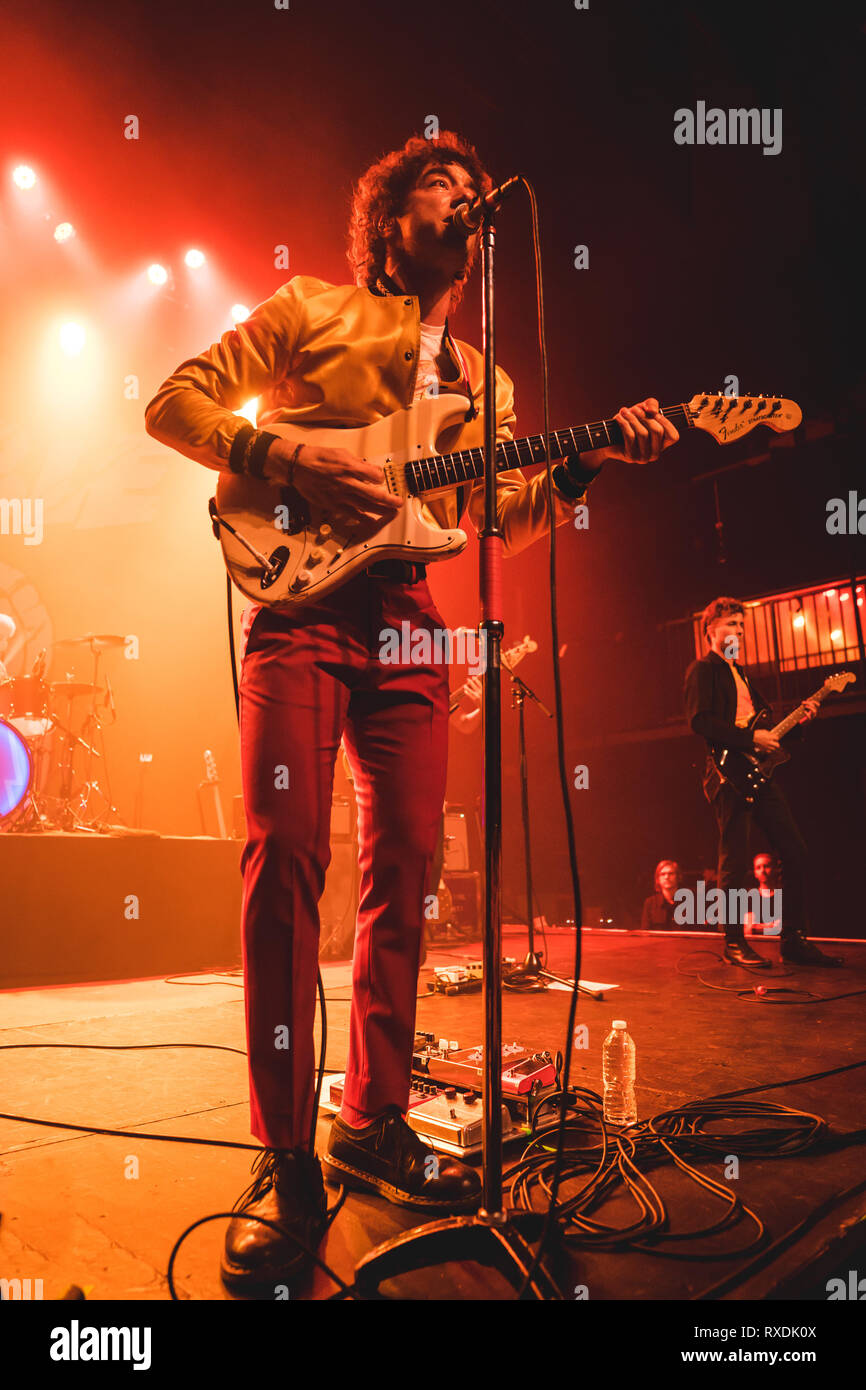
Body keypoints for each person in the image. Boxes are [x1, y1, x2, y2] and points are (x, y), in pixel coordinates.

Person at [145, 130, 678, 1295]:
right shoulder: (311, 307)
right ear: (389, 223)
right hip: (298, 613)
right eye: (441, 184)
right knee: (284, 856)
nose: (468, 198)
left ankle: (370, 1118)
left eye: (472, 188)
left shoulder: (482, 380)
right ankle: (281, 1158)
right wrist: (278, 452)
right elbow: (171, 403)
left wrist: (588, 466)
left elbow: (502, 516)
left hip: (409, 623)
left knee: (409, 868)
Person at [684, 596, 842, 969]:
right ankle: (734, 942)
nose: (738, 631)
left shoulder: (743, 675)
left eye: (741, 625)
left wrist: (798, 723)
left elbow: (765, 731)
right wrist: (750, 739)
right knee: (735, 861)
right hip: (726, 772)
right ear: (710, 631)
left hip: (756, 771)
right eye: (730, 625)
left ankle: (794, 939)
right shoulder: (703, 670)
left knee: (795, 850)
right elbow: (700, 722)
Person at [744, 851, 782, 937]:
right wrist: (770, 926)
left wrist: (758, 927)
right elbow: (749, 930)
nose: (762, 871)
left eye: (766, 866)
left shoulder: (783, 897)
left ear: (775, 869)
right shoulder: (750, 897)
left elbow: (780, 930)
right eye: (758, 867)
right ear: (755, 873)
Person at [640, 859, 682, 929]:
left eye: (671, 873)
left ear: (678, 877)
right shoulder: (650, 903)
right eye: (663, 874)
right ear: (658, 879)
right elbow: (645, 933)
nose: (666, 877)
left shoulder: (690, 902)